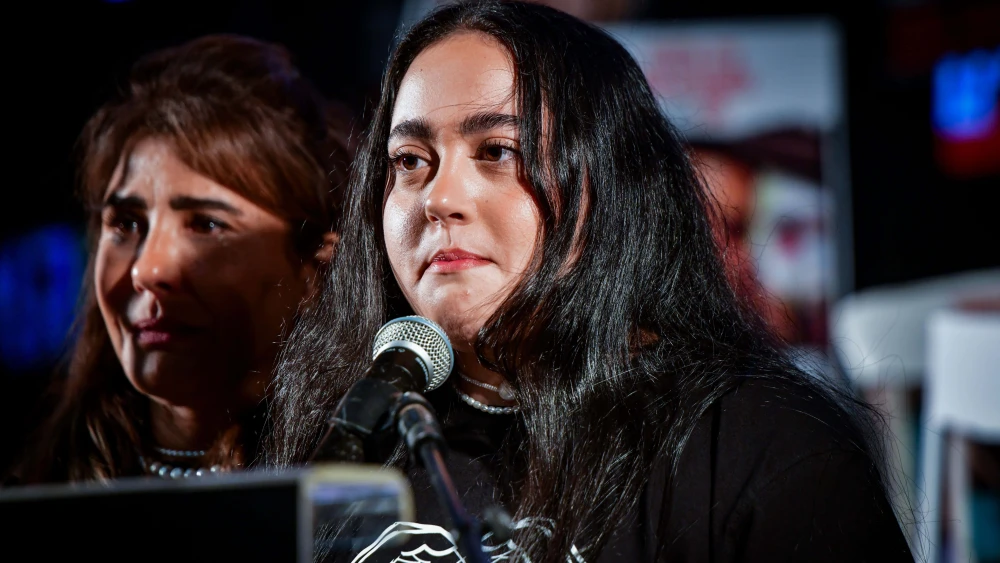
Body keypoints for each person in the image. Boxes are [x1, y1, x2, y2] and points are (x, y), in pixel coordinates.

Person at [268, 2, 914, 562]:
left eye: (498, 152)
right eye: (409, 161)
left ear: (609, 187)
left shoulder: (765, 448)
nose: (438, 196)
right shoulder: (341, 432)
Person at [7, 34, 352, 484]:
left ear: (315, 272)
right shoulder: (38, 483)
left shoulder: (380, 499)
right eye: (126, 225)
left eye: (207, 225)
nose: (147, 270)